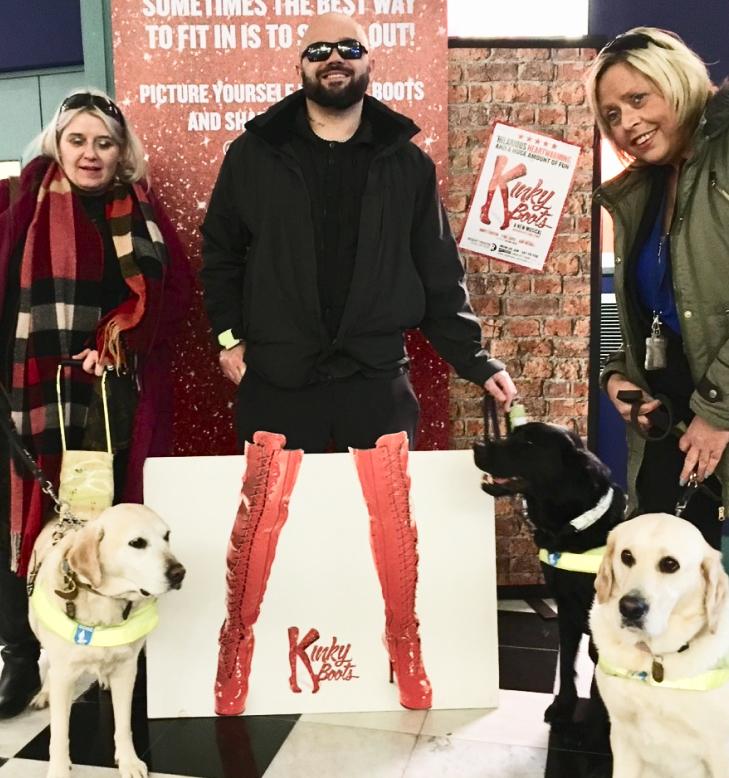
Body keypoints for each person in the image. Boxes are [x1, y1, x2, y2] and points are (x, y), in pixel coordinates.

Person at [587, 27, 729, 709]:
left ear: (676, 78)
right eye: (612, 115)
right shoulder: (647, 186)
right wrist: (620, 378)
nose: (628, 123)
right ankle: (658, 750)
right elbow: (653, 309)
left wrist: (717, 410)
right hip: (674, 416)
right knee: (658, 610)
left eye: (638, 98)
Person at [200, 11, 516, 454]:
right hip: (277, 379)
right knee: (277, 520)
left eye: (350, 48)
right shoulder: (252, 155)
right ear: (300, 67)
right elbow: (221, 255)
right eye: (318, 51)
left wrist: (477, 362)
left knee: (383, 521)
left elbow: (439, 271)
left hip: (376, 379)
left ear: (370, 63)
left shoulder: (409, 165)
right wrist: (229, 339)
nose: (334, 58)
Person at [0, 89, 193, 718]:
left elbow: (174, 297)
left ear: (121, 151)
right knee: (27, 523)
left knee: (113, 528)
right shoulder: (17, 206)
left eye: (104, 142)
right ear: (58, 142)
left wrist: (118, 338)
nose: (90, 153)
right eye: (77, 139)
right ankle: (23, 657)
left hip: (114, 398)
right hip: (29, 393)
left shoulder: (142, 213)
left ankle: (120, 651)